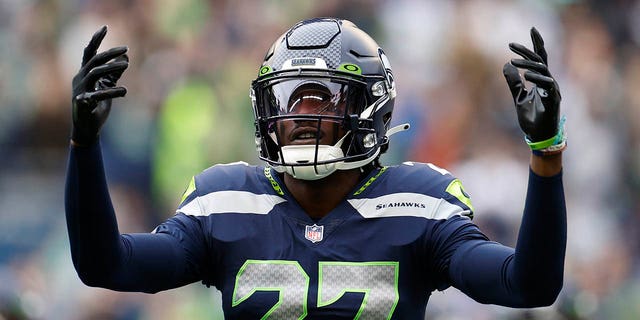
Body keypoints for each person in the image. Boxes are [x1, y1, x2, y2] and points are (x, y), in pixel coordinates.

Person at [65, 18, 566, 319]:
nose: (298, 117)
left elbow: (527, 284)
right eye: (286, 98)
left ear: (371, 109)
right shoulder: (225, 198)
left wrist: (545, 149)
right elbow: (106, 265)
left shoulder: (419, 203)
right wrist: (84, 145)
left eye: (320, 98)